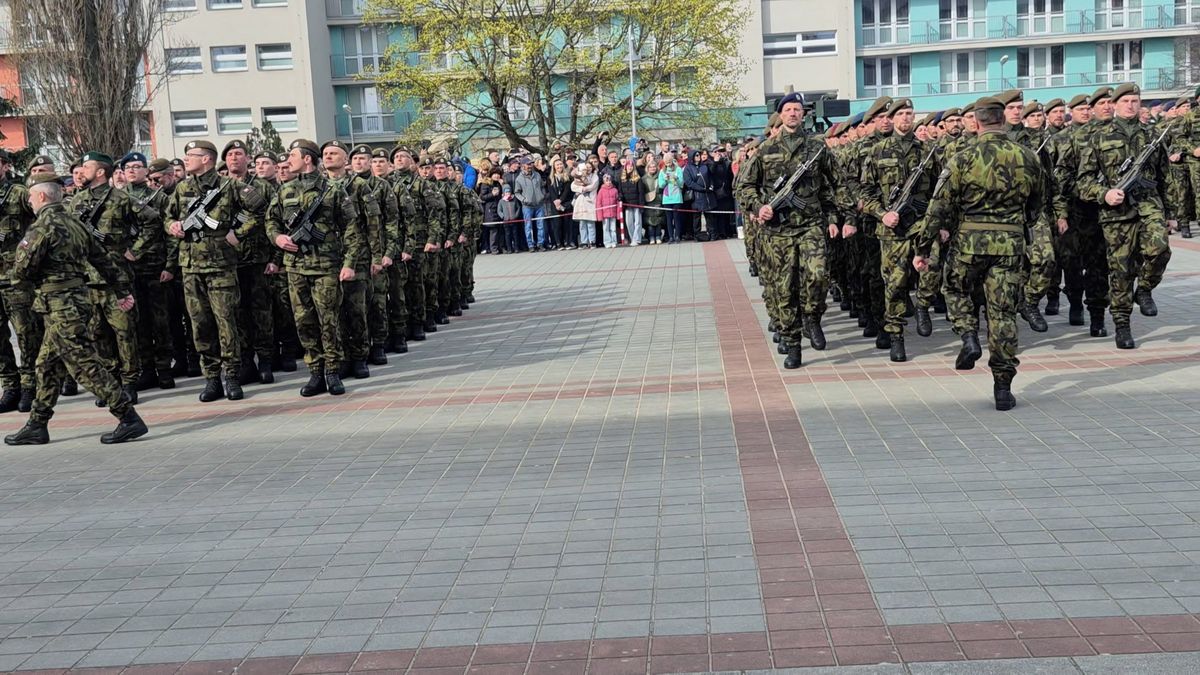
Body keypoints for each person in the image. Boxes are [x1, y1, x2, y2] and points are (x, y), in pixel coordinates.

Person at [913, 95, 1045, 411]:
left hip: (969, 242)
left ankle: (969, 335)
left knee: (954, 289)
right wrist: (1017, 223)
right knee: (1002, 312)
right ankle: (1003, 385)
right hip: (1010, 245)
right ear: (1002, 120)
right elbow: (1038, 203)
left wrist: (923, 247)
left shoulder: (962, 157)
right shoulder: (1027, 156)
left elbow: (938, 205)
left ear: (978, 122)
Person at [5, 173, 148, 445]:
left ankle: (128, 417)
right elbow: (103, 260)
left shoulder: (42, 226)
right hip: (78, 300)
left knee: (84, 365)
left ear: (42, 196)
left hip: (60, 304)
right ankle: (37, 423)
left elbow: (22, 268)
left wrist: (18, 284)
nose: (30, 202)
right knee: (46, 365)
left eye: (32, 197)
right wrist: (122, 290)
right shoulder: (76, 224)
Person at [734, 92, 839, 369]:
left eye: (797, 109)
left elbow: (838, 184)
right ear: (780, 115)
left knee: (818, 275)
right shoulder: (765, 150)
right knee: (783, 289)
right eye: (788, 109)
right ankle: (793, 345)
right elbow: (743, 187)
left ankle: (812, 315)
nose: (793, 113)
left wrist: (839, 217)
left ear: (803, 114)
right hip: (778, 230)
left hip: (810, 225)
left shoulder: (817, 148)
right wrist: (759, 207)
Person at [1077, 83, 1178, 349]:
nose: (1131, 105)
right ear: (1114, 104)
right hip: (1117, 214)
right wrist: (1105, 194)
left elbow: (1166, 176)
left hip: (1148, 204)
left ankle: (1144, 289)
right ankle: (1122, 324)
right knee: (1120, 271)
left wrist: (1171, 213)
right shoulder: (1099, 137)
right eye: (1126, 101)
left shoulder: (1152, 134)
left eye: (1135, 100)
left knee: (1160, 249)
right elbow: (1083, 181)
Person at [266, 139, 362, 396]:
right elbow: (271, 221)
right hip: (296, 266)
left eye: (293, 155)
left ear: (307, 158)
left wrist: (349, 263)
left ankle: (333, 371)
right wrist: (278, 238)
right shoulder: (285, 190)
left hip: (326, 266)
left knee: (328, 320)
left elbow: (352, 228)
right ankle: (315, 372)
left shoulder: (333, 190)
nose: (288, 160)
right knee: (303, 321)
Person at [69, 151, 160, 404]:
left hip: (117, 278)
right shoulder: (76, 201)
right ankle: (111, 381)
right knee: (97, 333)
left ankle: (130, 381)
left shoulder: (121, 198)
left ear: (100, 172)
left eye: (86, 166)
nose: (81, 171)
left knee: (125, 332)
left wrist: (135, 251)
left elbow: (152, 222)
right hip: (86, 279)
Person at [860, 98, 937, 362]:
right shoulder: (877, 151)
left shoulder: (927, 151)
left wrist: (941, 223)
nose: (906, 117)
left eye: (910, 113)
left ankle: (924, 305)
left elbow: (939, 191)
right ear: (891, 119)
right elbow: (865, 194)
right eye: (901, 114)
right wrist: (883, 214)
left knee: (933, 266)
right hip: (892, 229)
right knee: (894, 284)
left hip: (922, 223)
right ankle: (895, 335)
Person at [120, 152, 175, 391]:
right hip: (129, 270)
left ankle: (164, 369)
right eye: (128, 167)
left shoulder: (160, 198)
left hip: (155, 266)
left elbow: (171, 234)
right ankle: (147, 369)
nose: (133, 171)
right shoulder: (117, 198)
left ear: (146, 171)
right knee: (138, 322)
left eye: (137, 166)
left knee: (161, 320)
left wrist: (170, 265)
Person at [0, 149, 41, 413]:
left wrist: (28, 251)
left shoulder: (18, 194)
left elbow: (43, 222)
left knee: (26, 333)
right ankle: (10, 386)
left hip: (16, 278)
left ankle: (30, 386)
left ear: (4, 166)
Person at [514, 158, 547, 251]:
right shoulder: (519, 179)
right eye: (528, 164)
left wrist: (542, 195)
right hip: (527, 206)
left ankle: (540, 244)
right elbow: (517, 192)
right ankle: (530, 245)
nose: (530, 166)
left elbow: (542, 186)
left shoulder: (537, 175)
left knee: (541, 225)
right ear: (523, 166)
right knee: (528, 226)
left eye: (531, 164)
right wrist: (524, 199)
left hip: (539, 204)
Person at [546, 157, 575, 249]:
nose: (559, 166)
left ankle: (568, 242)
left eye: (560, 164)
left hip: (565, 203)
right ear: (554, 167)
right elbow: (551, 191)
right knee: (557, 224)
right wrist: (556, 201)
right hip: (555, 204)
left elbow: (567, 191)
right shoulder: (550, 178)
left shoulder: (568, 177)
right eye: (557, 165)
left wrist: (561, 200)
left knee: (567, 224)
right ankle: (559, 243)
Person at [657, 153, 685, 243]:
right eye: (666, 162)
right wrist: (665, 179)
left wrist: (676, 178)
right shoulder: (662, 171)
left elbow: (681, 184)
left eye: (669, 162)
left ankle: (677, 236)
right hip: (667, 198)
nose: (668, 164)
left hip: (677, 197)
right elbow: (660, 185)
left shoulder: (678, 169)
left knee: (677, 218)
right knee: (668, 219)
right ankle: (670, 237)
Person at [617, 160, 645, 246]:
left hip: (636, 203)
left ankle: (637, 239)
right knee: (629, 223)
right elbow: (620, 191)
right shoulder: (622, 179)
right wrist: (620, 198)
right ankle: (633, 238)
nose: (630, 167)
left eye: (631, 166)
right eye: (628, 166)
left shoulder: (637, 179)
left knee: (637, 222)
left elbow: (641, 192)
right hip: (627, 205)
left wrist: (641, 205)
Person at [571, 164, 598, 248]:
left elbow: (592, 186)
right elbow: (573, 187)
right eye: (584, 169)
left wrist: (584, 188)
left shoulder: (594, 177)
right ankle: (584, 241)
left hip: (590, 202)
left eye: (587, 169)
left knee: (590, 223)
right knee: (582, 223)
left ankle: (592, 241)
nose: (585, 171)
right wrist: (581, 189)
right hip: (580, 202)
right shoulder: (577, 177)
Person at [641, 160, 664, 244]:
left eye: (654, 166)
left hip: (658, 199)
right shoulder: (644, 178)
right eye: (650, 167)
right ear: (648, 168)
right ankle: (651, 237)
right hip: (648, 200)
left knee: (658, 219)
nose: (653, 168)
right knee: (650, 220)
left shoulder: (660, 176)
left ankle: (658, 236)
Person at [595, 173, 620, 248]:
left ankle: (614, 241)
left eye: (610, 181)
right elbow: (598, 203)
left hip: (613, 213)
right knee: (606, 228)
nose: (608, 182)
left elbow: (617, 202)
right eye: (607, 181)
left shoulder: (615, 190)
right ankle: (607, 242)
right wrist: (599, 215)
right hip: (605, 214)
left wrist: (618, 214)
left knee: (613, 228)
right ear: (604, 182)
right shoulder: (601, 191)